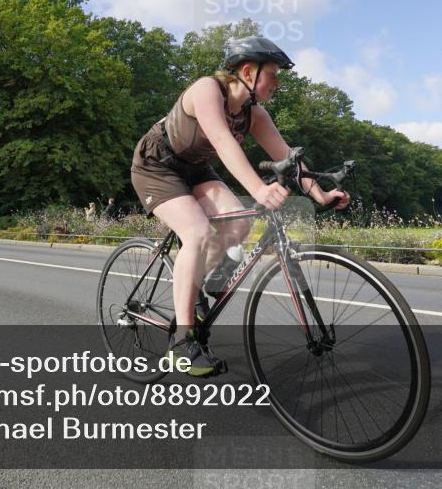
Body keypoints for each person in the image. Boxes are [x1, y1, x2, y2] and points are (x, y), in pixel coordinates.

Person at [131, 36, 349, 377]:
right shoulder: (206, 90)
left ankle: (197, 290)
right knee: (197, 232)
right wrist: (259, 190)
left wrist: (319, 195)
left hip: (195, 168)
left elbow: (288, 158)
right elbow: (220, 140)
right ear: (248, 71)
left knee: (239, 225)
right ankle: (181, 341)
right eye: (273, 74)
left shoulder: (255, 115)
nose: (277, 83)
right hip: (158, 165)